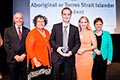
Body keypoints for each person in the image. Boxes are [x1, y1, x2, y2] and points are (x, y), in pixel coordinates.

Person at [49, 7, 80, 80]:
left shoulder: (75, 28)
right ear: (61, 15)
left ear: (71, 15)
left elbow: (78, 43)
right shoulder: (55, 26)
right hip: (57, 57)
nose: (66, 16)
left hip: (69, 57)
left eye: (68, 14)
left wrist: (71, 52)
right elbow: (51, 40)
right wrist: (57, 48)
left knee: (68, 77)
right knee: (56, 77)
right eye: (64, 14)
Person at [4, 12, 30, 80]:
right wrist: (15, 56)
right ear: (14, 19)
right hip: (12, 60)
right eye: (17, 18)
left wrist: (24, 54)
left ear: (23, 19)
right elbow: (6, 45)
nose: (19, 20)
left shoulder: (27, 31)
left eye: (20, 18)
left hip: (24, 60)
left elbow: (29, 45)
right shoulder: (7, 30)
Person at [26, 15, 51, 80]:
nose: (41, 23)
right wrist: (35, 61)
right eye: (38, 21)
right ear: (35, 23)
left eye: (42, 21)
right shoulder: (32, 33)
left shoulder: (47, 32)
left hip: (46, 61)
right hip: (37, 62)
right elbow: (29, 49)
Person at [75, 16, 97, 80]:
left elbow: (95, 45)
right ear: (79, 23)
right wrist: (76, 50)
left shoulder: (90, 33)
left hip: (87, 57)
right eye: (81, 22)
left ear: (87, 23)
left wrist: (84, 49)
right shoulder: (77, 33)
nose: (83, 24)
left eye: (85, 22)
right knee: (79, 76)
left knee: (87, 76)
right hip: (78, 58)